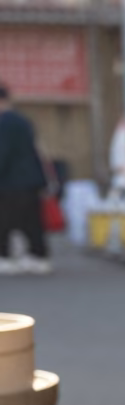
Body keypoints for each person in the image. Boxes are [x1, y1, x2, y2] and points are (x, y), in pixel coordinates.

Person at [0, 82, 51, 275]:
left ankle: (4, 257)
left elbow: (2, 153)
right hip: (31, 180)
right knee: (32, 221)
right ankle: (39, 257)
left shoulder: (4, 123)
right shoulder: (23, 121)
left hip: (10, 182)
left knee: (3, 221)